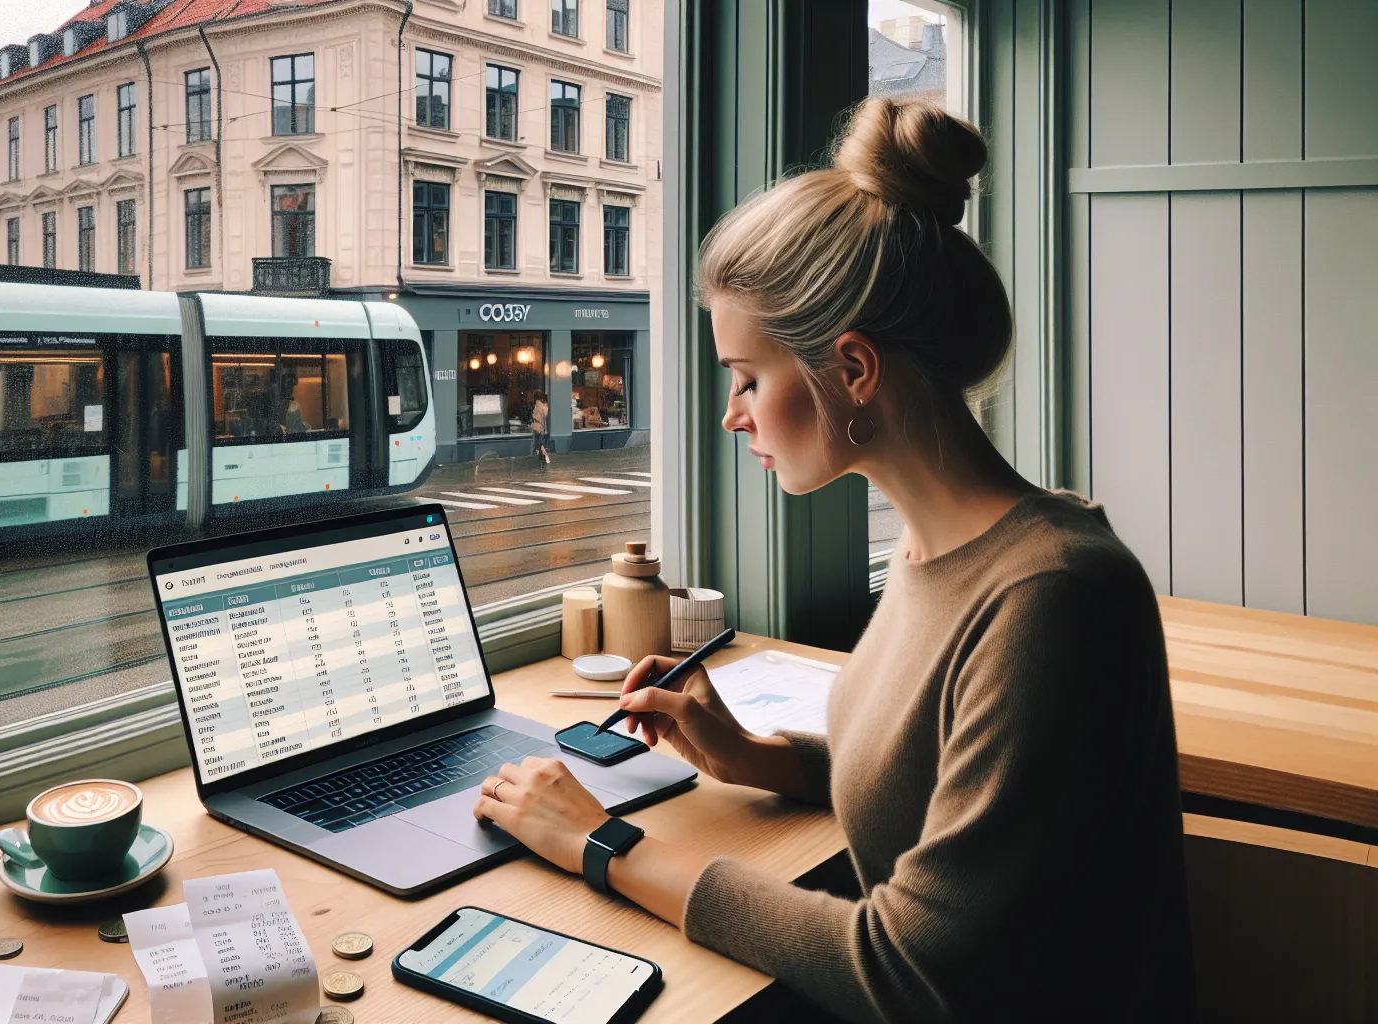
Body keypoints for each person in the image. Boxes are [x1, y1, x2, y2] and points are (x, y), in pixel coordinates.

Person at [473, 97, 1193, 1022]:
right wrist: (753, 756)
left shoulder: (1052, 597)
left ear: (853, 370)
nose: (732, 415)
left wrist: (600, 843)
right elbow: (941, 792)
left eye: (747, 378)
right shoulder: (937, 549)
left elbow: (915, 972)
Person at [529, 390, 551, 467]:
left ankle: (543, 456)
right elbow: (545, 413)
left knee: (538, 441)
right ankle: (544, 456)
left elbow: (541, 414)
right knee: (540, 442)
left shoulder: (537, 403)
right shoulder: (540, 404)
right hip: (539, 425)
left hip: (537, 425)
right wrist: (546, 405)